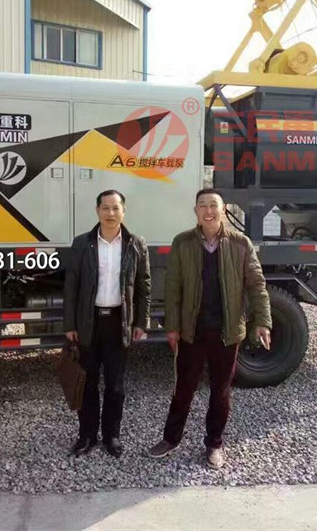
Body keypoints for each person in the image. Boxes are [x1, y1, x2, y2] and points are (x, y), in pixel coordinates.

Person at [148, 188, 272, 469]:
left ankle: (214, 444)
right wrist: (172, 326)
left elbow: (256, 285)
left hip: (227, 331)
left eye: (213, 205)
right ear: (196, 211)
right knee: (183, 388)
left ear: (223, 209)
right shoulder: (183, 243)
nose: (208, 211)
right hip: (193, 330)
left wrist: (263, 322)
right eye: (202, 205)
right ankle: (170, 439)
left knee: (221, 391)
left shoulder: (240, 243)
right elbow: (173, 288)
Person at [63, 189, 151, 458]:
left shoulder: (136, 244)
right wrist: (70, 324)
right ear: (97, 211)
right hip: (89, 322)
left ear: (123, 211)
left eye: (115, 208)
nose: (110, 213)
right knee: (87, 383)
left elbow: (144, 285)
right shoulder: (82, 244)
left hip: (118, 323)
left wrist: (141, 322)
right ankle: (87, 436)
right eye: (105, 208)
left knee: (115, 385)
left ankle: (112, 435)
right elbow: (71, 286)